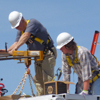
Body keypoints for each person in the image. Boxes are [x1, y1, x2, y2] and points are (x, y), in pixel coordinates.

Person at [1, 11, 57, 96]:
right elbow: (16, 43)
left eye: (17, 26)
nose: (17, 28)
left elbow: (25, 36)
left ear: (22, 20)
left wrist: (15, 49)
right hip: (38, 57)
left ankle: (50, 97)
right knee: (38, 81)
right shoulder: (21, 30)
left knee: (47, 80)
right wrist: (6, 52)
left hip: (47, 54)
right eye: (15, 27)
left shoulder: (32, 23)